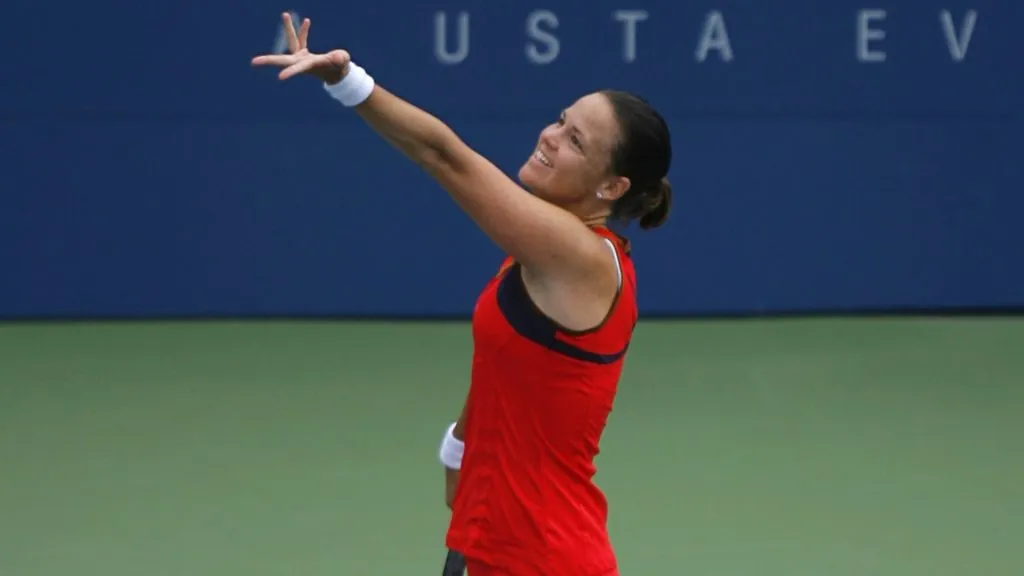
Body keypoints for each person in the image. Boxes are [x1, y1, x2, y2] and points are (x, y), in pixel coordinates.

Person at [253, 13, 673, 576]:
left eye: (575, 140)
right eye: (560, 120)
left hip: (542, 558)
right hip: (486, 543)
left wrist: (347, 80)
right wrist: (460, 445)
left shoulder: (576, 256)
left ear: (612, 186)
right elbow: (509, 365)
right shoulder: (542, 249)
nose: (549, 136)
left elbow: (444, 157)